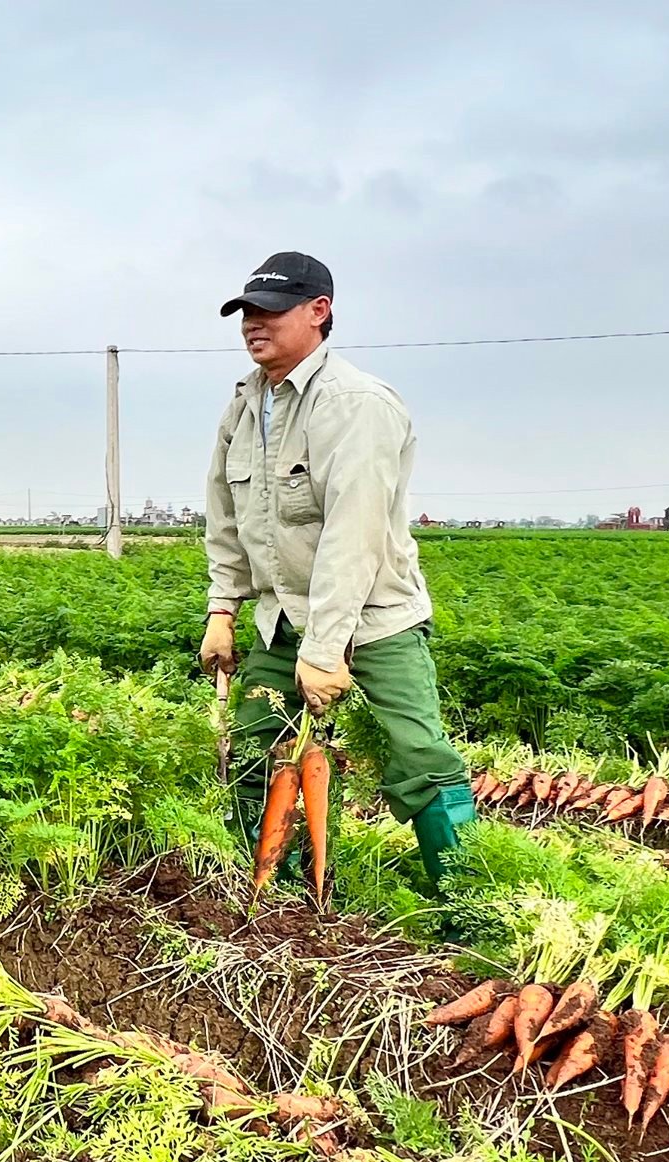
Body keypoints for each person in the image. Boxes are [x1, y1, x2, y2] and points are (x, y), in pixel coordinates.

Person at [200, 252, 474, 883]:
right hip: (281, 616)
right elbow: (225, 517)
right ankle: (278, 895)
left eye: (270, 310)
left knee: (418, 759)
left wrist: (325, 650)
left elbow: (354, 537)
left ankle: (469, 905)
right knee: (254, 753)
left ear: (319, 312)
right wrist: (223, 609)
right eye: (246, 311)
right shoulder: (243, 405)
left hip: (376, 619)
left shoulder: (356, 405)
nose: (252, 323)